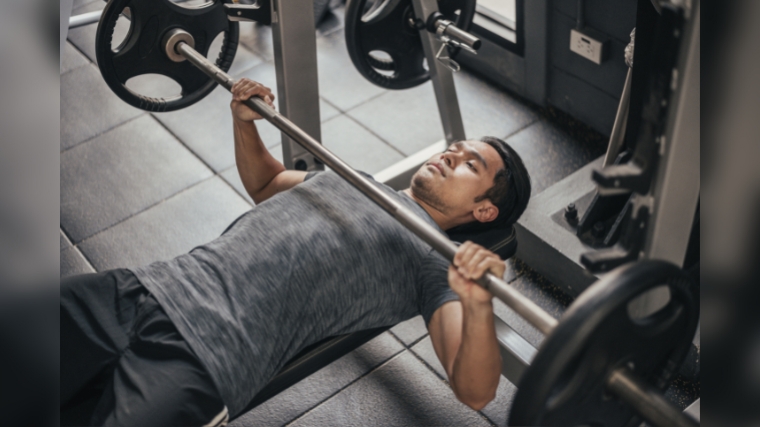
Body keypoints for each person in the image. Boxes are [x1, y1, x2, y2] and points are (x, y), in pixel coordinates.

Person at [60, 78, 532, 426]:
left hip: (209, 358)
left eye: (471, 164)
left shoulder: (436, 261)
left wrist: (477, 305)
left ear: (485, 211)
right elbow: (266, 183)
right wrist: (244, 122)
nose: (451, 155)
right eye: (455, 148)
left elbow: (475, 392)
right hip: (144, 288)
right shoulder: (357, 179)